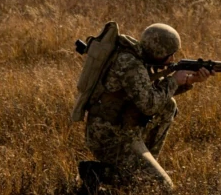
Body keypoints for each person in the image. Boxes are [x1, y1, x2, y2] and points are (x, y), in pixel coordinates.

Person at [79, 23, 213, 191]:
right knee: (161, 186)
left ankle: (143, 165)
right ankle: (97, 172)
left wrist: (189, 81)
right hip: (109, 137)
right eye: (170, 55)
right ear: (158, 52)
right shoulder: (130, 64)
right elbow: (149, 105)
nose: (172, 59)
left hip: (123, 127)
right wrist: (173, 80)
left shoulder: (139, 58)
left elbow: (155, 95)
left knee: (168, 106)